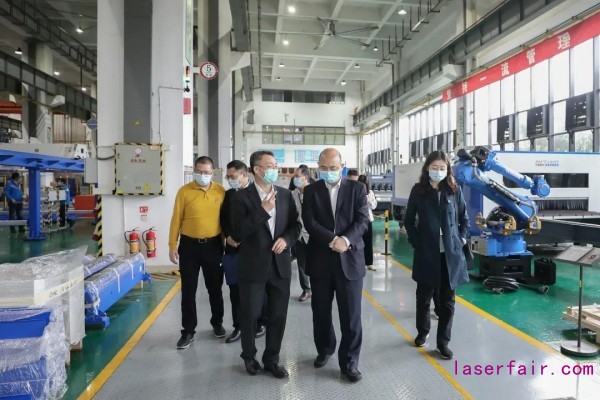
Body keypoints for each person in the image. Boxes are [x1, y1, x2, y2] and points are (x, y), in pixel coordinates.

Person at [231, 151, 300, 378]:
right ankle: (249, 357)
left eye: (275, 165)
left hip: (280, 265)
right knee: (250, 314)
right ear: (257, 169)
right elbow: (237, 233)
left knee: (278, 315)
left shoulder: (285, 195)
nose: (274, 169)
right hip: (253, 265)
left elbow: (296, 226)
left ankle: (272, 359)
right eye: (270, 165)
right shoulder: (241, 197)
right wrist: (262, 211)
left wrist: (286, 239)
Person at [302, 148, 370, 383]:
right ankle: (325, 348)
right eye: (324, 168)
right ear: (318, 167)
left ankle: (350, 363)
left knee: (351, 316)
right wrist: (333, 240)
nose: (329, 172)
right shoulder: (311, 190)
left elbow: (362, 220)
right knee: (321, 312)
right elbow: (309, 221)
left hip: (350, 260)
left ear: (342, 166)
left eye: (333, 168)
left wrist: (346, 240)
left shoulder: (357, 189)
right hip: (321, 260)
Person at [404, 150, 470, 360]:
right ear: (427, 168)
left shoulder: (454, 190)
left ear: (448, 170)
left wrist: (461, 239)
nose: (438, 171)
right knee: (423, 297)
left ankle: (443, 343)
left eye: (442, 168)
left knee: (448, 301)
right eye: (434, 167)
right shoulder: (418, 190)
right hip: (426, 253)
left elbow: (464, 219)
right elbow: (408, 221)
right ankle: (423, 332)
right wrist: (417, 242)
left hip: (450, 255)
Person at [169, 156, 226, 350]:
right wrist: (172, 245)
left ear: (213, 172)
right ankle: (188, 331)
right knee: (188, 290)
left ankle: (217, 322)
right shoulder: (184, 191)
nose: (203, 175)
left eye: (207, 172)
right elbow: (176, 219)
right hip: (189, 247)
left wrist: (227, 245)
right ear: (194, 171)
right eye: (200, 172)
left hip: (213, 246)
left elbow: (225, 220)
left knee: (215, 289)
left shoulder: (221, 191)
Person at [220, 160, 267, 343]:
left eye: (233, 176)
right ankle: (239, 326)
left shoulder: (258, 193)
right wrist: (229, 236)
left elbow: (261, 221)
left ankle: (261, 323)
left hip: (254, 249)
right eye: (228, 177)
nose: (230, 180)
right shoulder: (229, 195)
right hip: (233, 249)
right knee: (235, 289)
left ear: (244, 175)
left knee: (258, 289)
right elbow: (224, 219)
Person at [291, 165, 312, 302]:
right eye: (295, 177)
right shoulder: (293, 194)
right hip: (299, 235)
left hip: (314, 235)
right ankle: (306, 290)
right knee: (301, 264)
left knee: (317, 264)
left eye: (297, 177)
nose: (295, 179)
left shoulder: (315, 192)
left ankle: (319, 289)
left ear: (305, 178)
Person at [358, 175, 377, 271]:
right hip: (358, 220)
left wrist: (368, 201)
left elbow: (374, 206)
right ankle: (359, 262)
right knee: (358, 242)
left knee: (368, 241)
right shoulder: (355, 191)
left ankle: (369, 263)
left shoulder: (370, 193)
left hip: (368, 219)